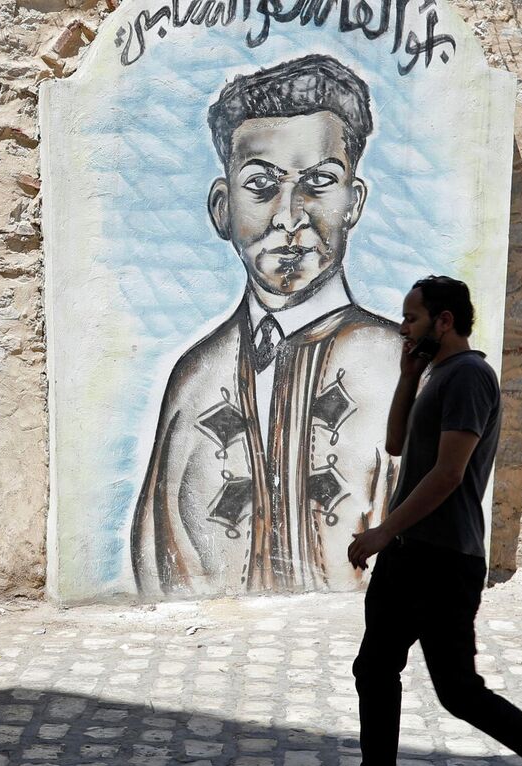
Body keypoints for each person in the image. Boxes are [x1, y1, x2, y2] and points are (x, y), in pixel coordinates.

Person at [131, 54, 399, 598]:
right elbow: (159, 558)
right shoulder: (196, 378)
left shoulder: (397, 364)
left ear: (354, 202)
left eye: (320, 183)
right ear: (222, 208)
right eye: (260, 185)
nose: (289, 216)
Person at [346, 277, 522, 766]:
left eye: (412, 318)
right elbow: (395, 444)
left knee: (458, 692)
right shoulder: (437, 374)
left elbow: (449, 473)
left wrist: (383, 531)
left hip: (443, 559)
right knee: (375, 667)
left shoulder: (469, 376)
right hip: (410, 551)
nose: (403, 328)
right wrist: (408, 377)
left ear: (444, 321)